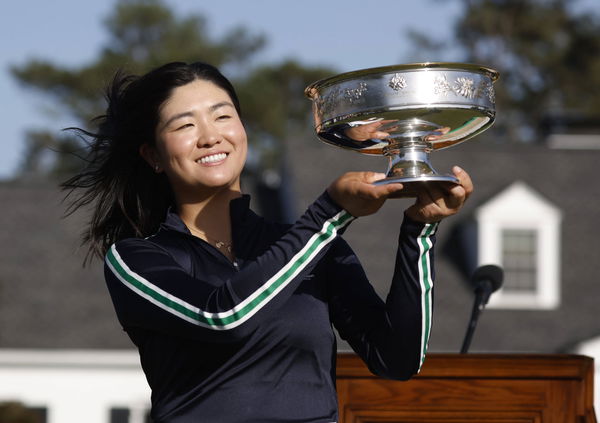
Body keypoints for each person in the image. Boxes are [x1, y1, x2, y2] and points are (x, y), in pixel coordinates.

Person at [62, 61, 472, 423]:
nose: (210, 137)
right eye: (185, 125)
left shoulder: (309, 245)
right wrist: (329, 212)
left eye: (222, 117)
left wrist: (420, 230)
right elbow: (223, 317)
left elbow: (396, 360)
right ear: (153, 155)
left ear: (243, 130)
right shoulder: (137, 259)